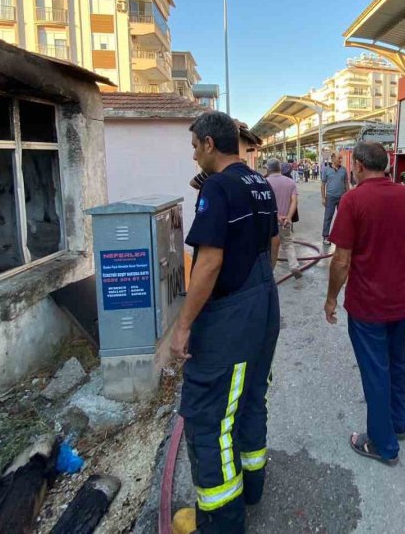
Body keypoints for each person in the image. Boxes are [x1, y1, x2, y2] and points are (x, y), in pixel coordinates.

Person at [158, 111, 281, 534]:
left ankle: (221, 520)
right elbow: (273, 242)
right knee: (249, 399)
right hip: (264, 304)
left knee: (210, 417)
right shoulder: (259, 182)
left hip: (232, 315)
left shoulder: (219, 189)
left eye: (195, 147)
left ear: (210, 144)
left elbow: (209, 262)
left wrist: (184, 325)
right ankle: (252, 488)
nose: (194, 157)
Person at [323, 142, 405, 466]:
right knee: (397, 361)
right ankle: (397, 423)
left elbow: (341, 260)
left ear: (356, 165)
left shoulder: (353, 200)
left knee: (376, 370)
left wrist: (331, 298)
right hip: (403, 303)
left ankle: (383, 445)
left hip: (368, 306)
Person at [265, 159, 302, 279]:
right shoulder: (290, 182)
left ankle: (270, 272)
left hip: (270, 221)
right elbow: (294, 202)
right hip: (285, 221)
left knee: (272, 247)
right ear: (279, 168)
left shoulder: (265, 182)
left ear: (268, 169)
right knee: (287, 242)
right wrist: (289, 218)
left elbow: (265, 204)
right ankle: (294, 265)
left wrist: (276, 217)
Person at [320, 152, 350, 246]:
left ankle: (340, 237)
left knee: (342, 218)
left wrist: (348, 195)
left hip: (342, 197)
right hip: (330, 197)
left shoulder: (344, 170)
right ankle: (325, 236)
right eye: (339, 158)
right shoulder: (326, 170)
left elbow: (346, 183)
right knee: (328, 217)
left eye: (341, 158)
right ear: (332, 158)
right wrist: (323, 198)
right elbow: (323, 184)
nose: (340, 160)